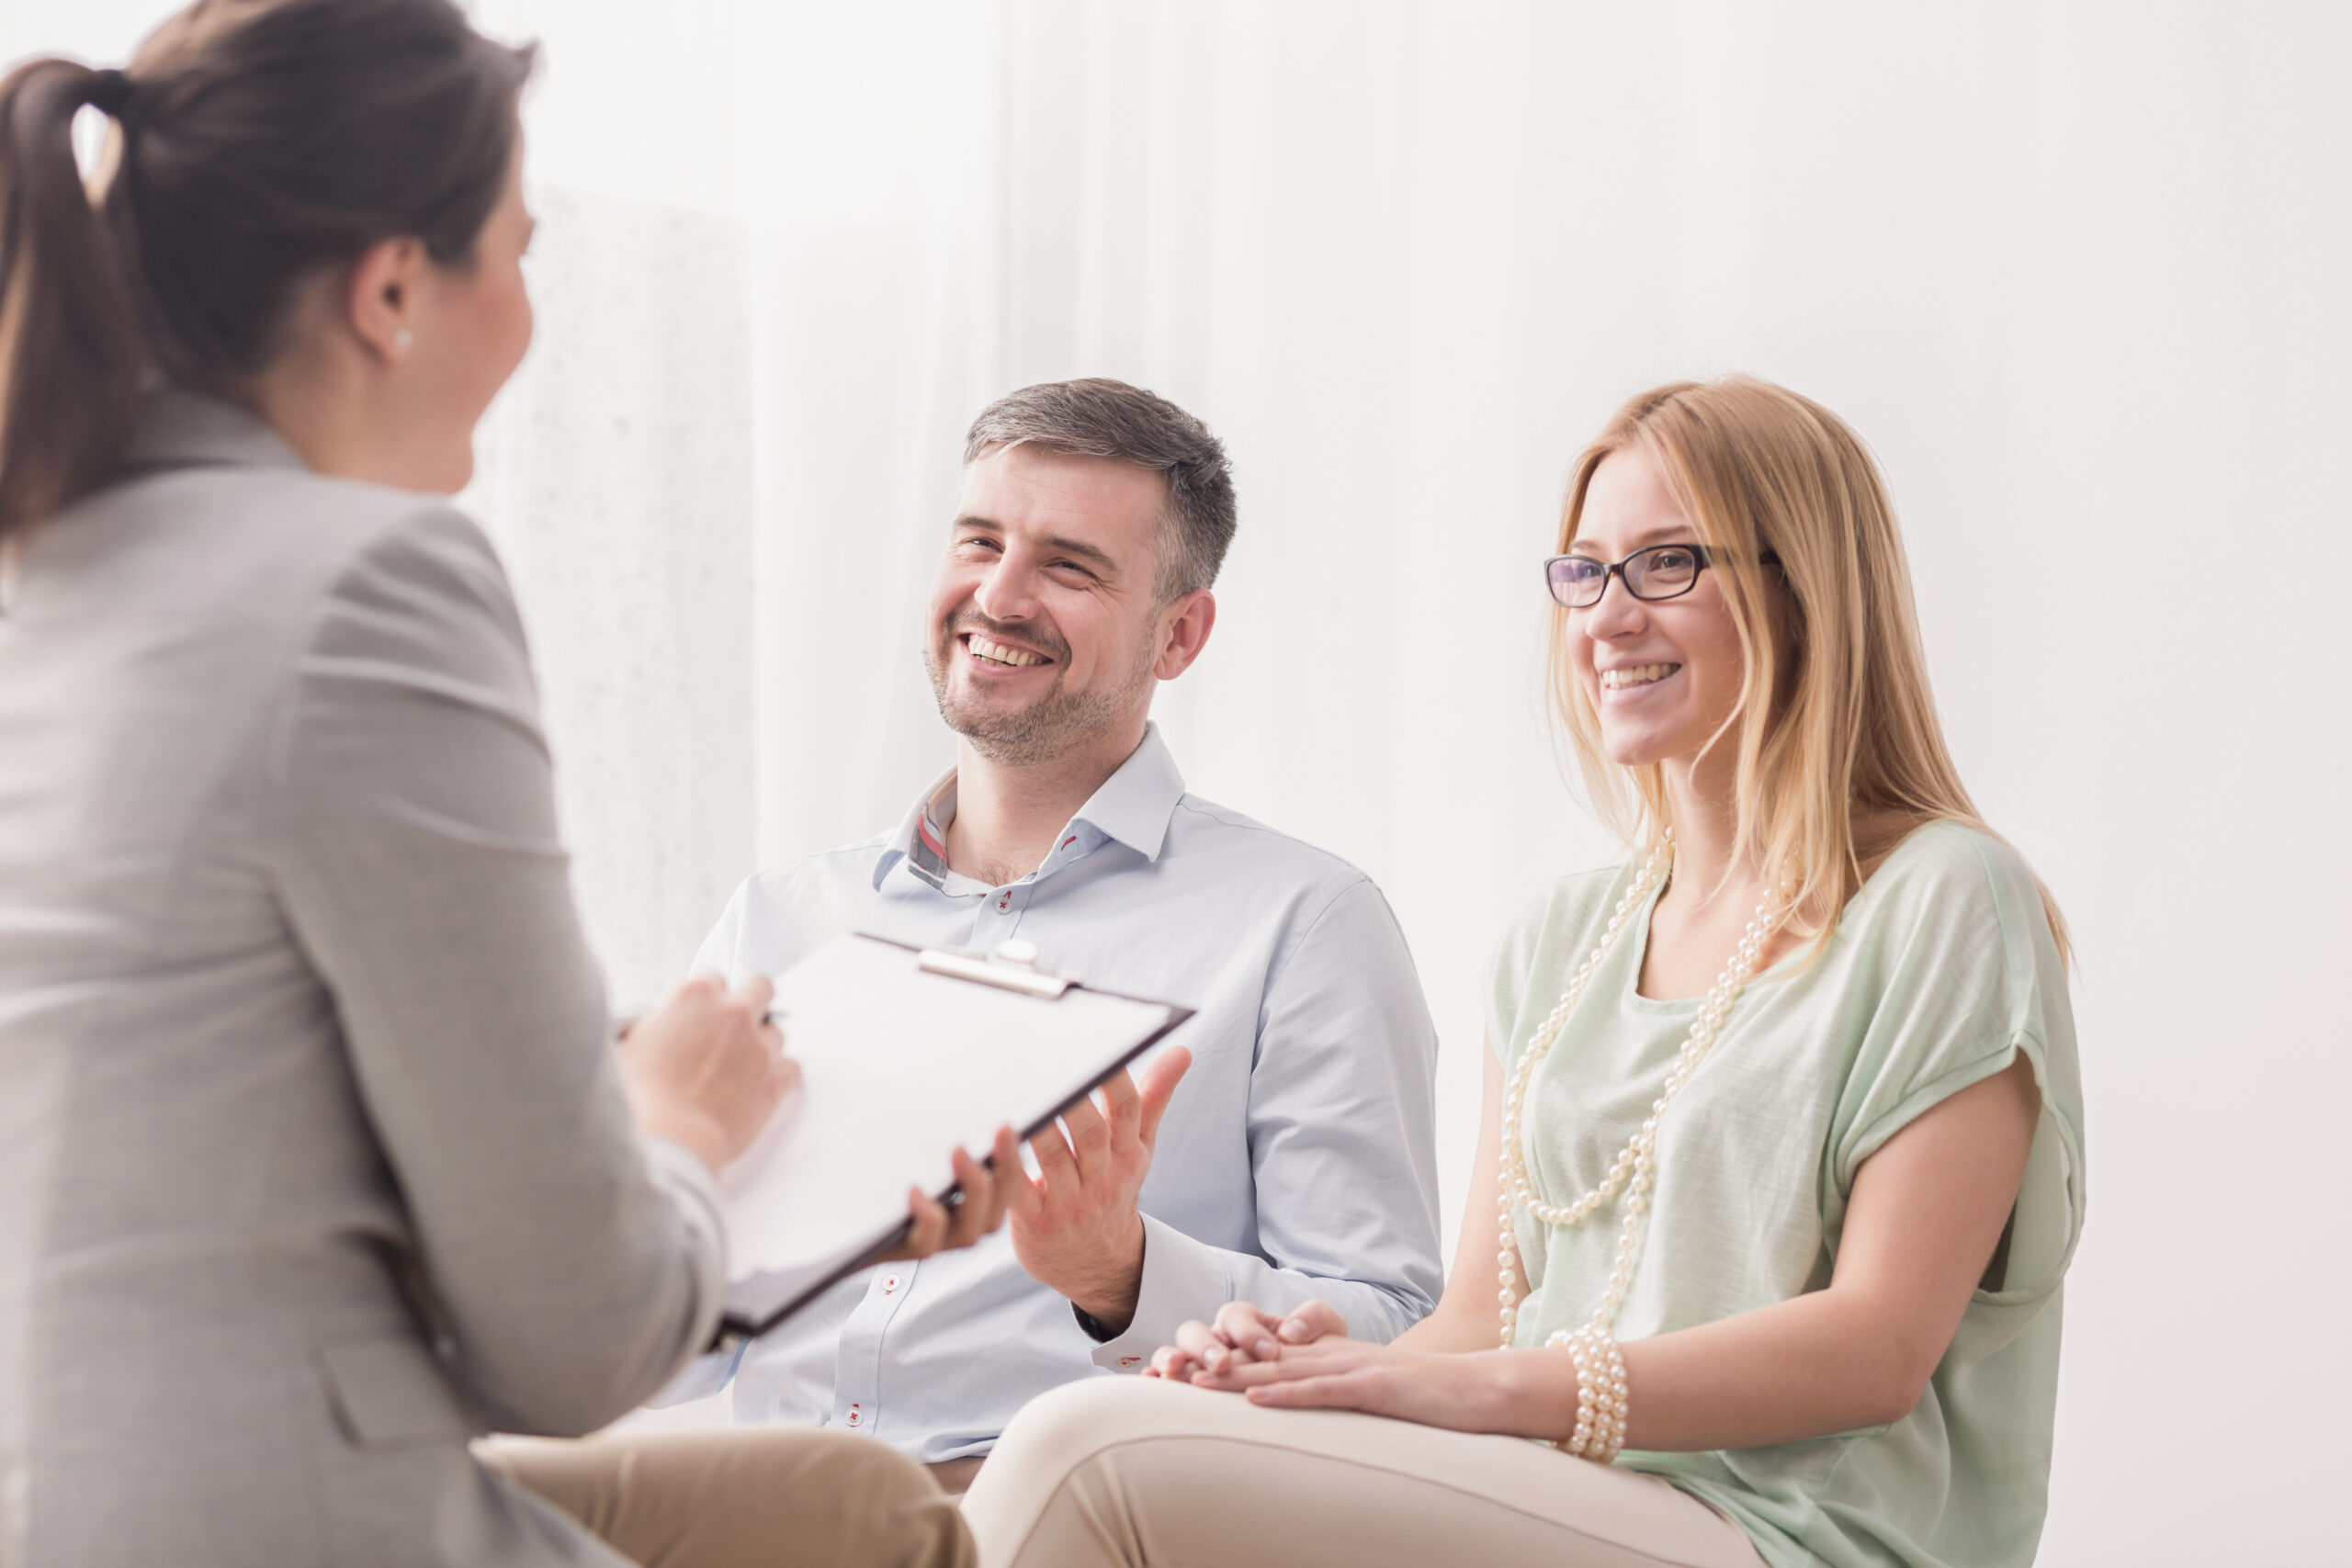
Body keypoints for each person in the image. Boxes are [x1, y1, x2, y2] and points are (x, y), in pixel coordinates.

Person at [0, 4, 1009, 1565]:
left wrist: (593, 1101)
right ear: (392, 287)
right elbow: (578, 1342)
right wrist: (676, 1117)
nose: (534, 314)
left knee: (855, 1510)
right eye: (520, 252)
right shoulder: (365, 586)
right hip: (267, 1512)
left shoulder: (54, 573)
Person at [961, 376, 2087, 1568]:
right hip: (1547, 1489)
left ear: (1806, 591)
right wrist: (1310, 1370)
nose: (1607, 615)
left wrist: (1497, 1391)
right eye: (1585, 570)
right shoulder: (1565, 938)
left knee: (1084, 1448)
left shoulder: (1945, 900)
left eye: (1666, 563)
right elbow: (1479, 1320)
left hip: (1796, 1537)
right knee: (1146, 1419)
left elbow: (1877, 1344)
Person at [638, 378, 1446, 1495]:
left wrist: (1123, 1274)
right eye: (979, 542)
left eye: (1068, 567)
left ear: (1179, 633)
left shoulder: (1302, 924)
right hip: (765, 1513)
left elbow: (1393, 1331)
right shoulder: (783, 918)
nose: (999, 597)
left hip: (1064, 1516)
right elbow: (651, 1343)